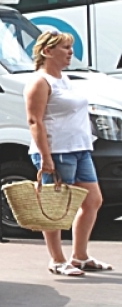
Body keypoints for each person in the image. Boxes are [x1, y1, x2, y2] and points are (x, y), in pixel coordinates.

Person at [24, 30, 112, 276]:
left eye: (70, 48)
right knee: (55, 207)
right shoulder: (39, 82)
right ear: (47, 51)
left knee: (92, 200)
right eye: (64, 48)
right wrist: (45, 157)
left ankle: (80, 256)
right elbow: (34, 121)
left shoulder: (65, 79)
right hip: (58, 151)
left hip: (80, 148)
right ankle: (56, 259)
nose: (70, 53)